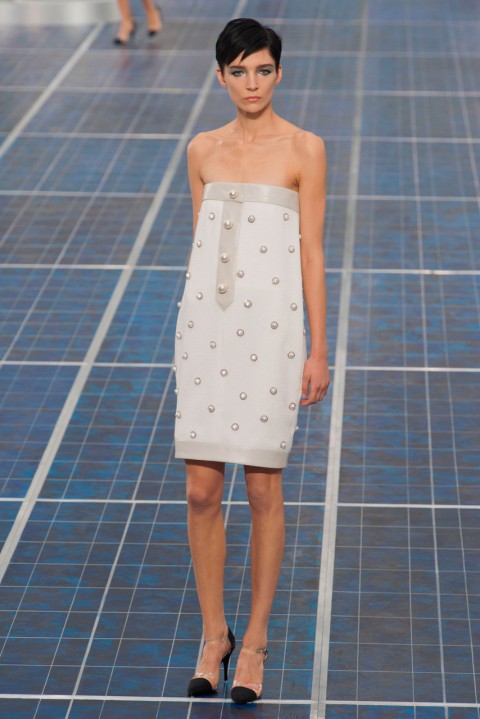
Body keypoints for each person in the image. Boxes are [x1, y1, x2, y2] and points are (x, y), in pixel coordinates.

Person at [173, 17, 329, 704]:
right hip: (206, 333)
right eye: (238, 72)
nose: (252, 83)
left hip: (272, 337)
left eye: (263, 70)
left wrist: (318, 348)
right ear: (220, 77)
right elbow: (202, 245)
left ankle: (257, 640)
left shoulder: (305, 148)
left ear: (279, 73)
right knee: (200, 492)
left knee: (263, 492)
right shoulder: (201, 149)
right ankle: (215, 635)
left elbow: (312, 252)